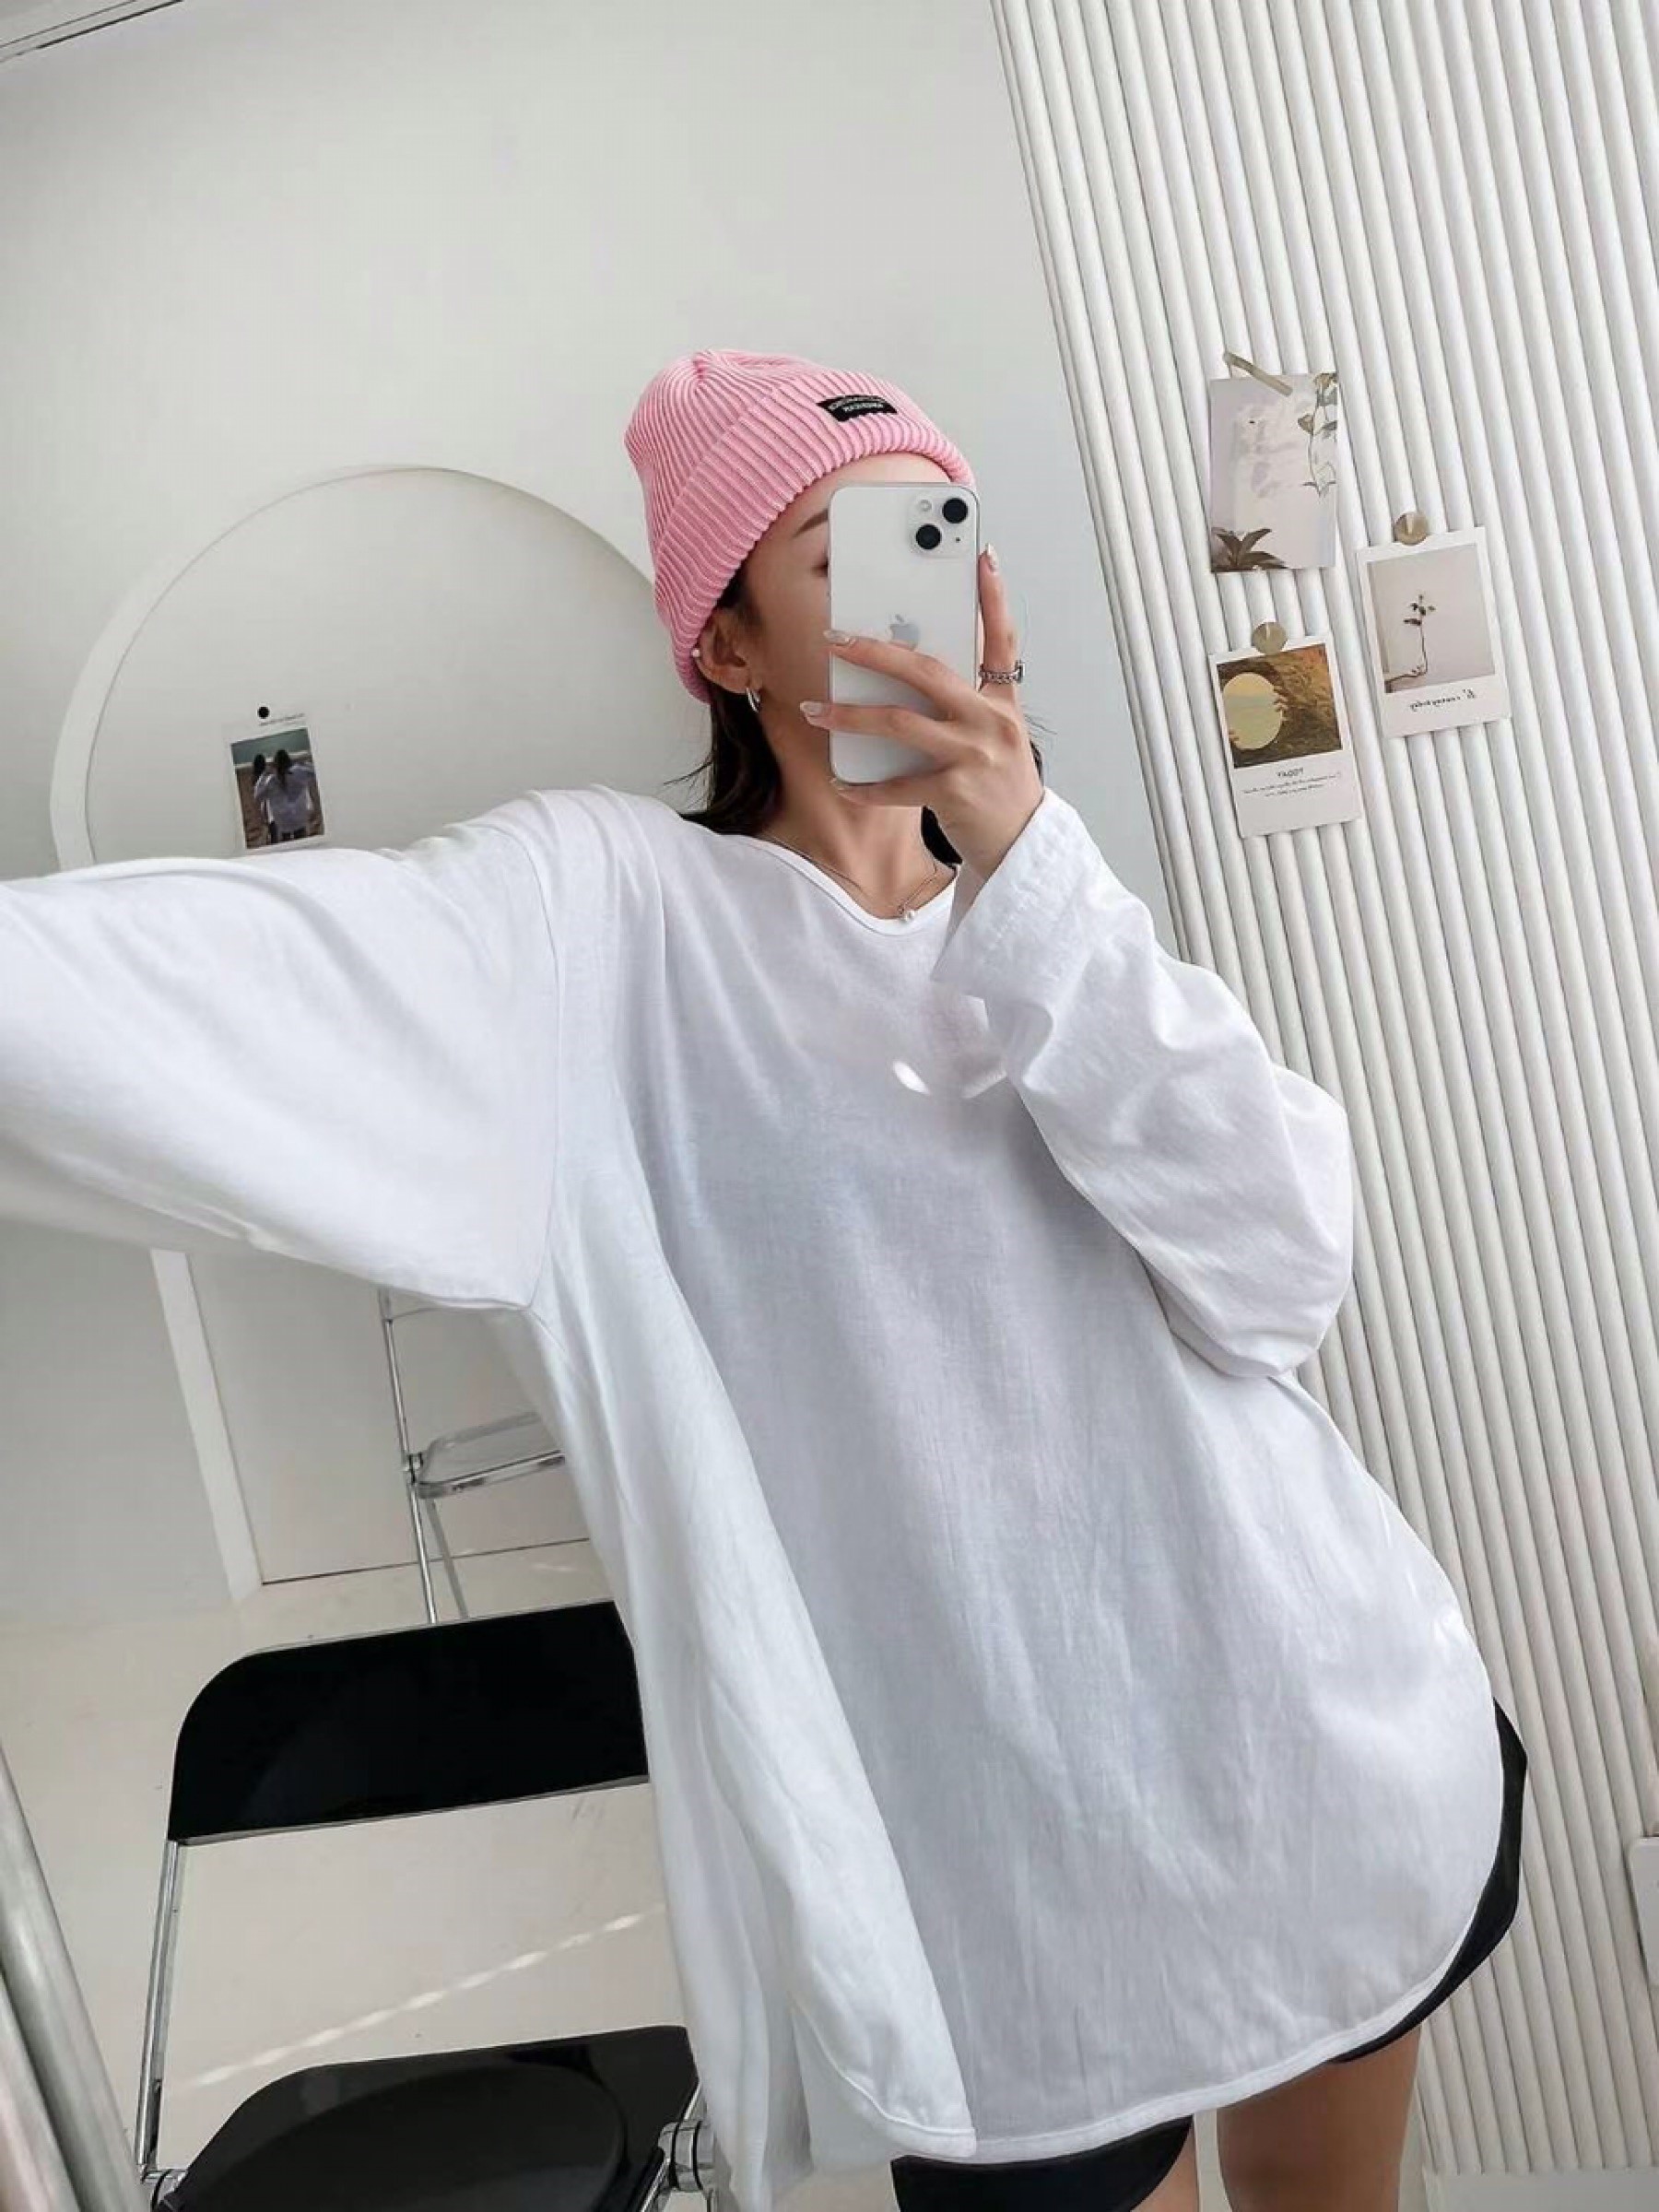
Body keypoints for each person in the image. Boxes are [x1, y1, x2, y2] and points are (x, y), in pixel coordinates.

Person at [0, 348, 1524, 2212]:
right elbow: (205, 985)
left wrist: (1029, 852)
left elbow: (1283, 1272)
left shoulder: (1055, 906)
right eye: (846, 549)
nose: (928, 583)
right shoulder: (612, 929)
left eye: (942, 530)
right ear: (724, 645)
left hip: (1302, 1742)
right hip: (1007, 1891)